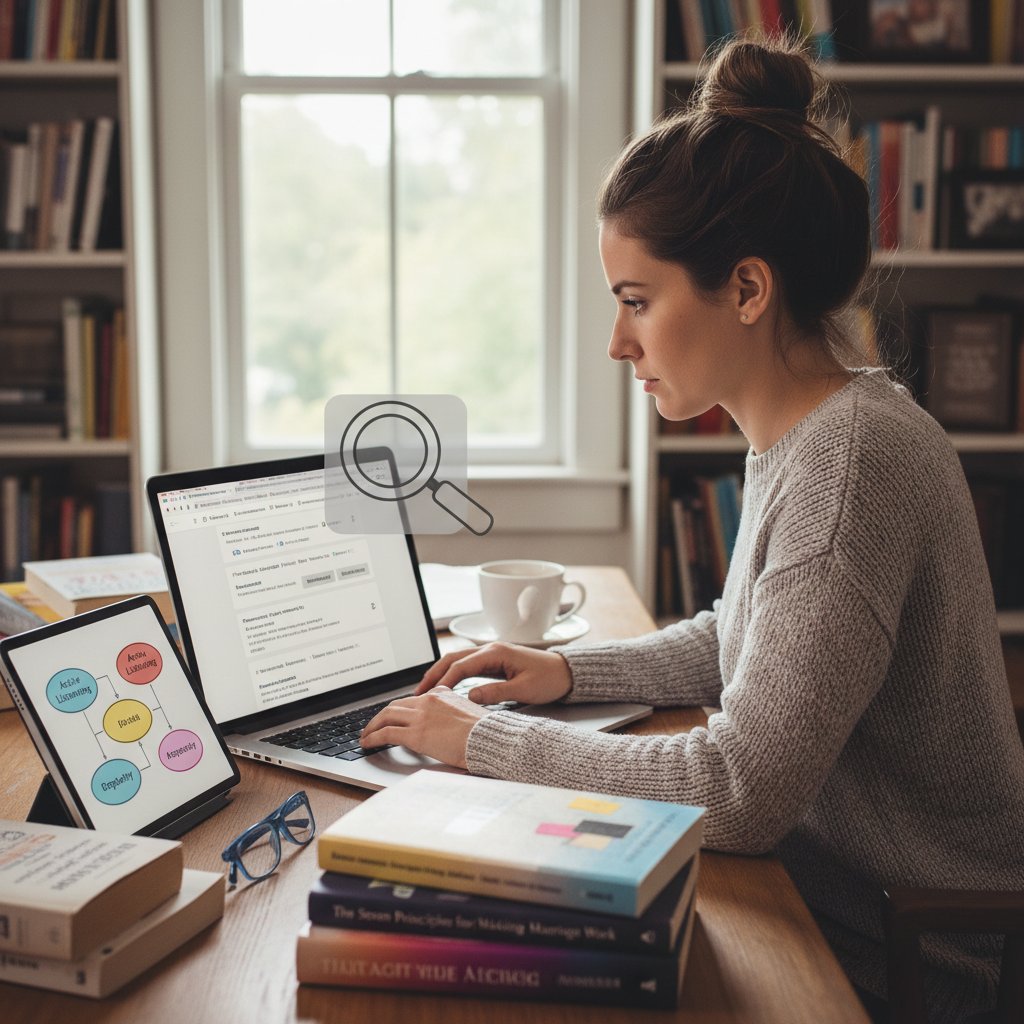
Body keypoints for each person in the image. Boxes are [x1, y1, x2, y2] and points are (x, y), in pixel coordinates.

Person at [361, 35, 1024, 1024]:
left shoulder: (849, 464)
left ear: (747, 290)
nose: (616, 341)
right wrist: (570, 676)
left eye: (636, 301)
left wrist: (484, 742)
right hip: (825, 894)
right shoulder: (817, 434)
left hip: (901, 954)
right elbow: (741, 635)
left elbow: (740, 788)